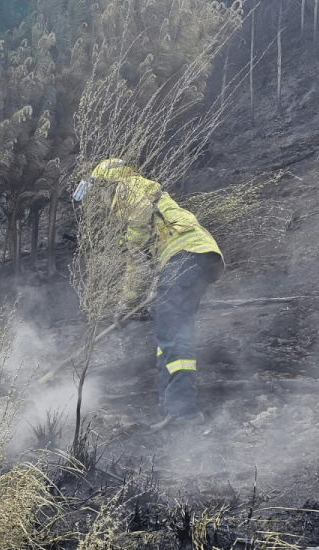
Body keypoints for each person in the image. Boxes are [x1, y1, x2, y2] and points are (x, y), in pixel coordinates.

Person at [73, 158, 223, 431]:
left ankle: (184, 414)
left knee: (173, 335)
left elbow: (137, 250)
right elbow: (141, 263)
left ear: (107, 183)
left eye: (98, 193)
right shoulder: (143, 188)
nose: (101, 202)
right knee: (168, 334)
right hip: (199, 257)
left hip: (184, 255)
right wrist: (132, 299)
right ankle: (172, 410)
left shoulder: (127, 189)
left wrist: (125, 301)